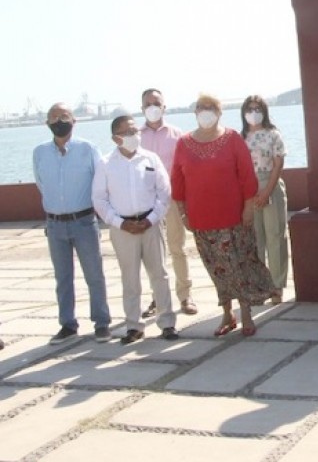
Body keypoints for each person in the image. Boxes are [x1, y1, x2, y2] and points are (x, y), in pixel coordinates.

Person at [171, 93, 275, 337]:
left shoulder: (232, 139)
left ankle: (246, 311)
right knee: (216, 267)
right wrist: (182, 212)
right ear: (194, 112)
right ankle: (227, 313)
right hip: (201, 218)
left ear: (219, 112)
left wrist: (248, 206)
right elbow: (177, 179)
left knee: (239, 265)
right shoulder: (183, 143)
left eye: (210, 107)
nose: (205, 111)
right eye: (200, 107)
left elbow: (246, 174)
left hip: (234, 216)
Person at [92, 115, 179, 344]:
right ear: (115, 138)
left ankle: (167, 322)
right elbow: (99, 200)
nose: (133, 136)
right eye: (127, 132)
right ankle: (134, 326)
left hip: (150, 225)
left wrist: (151, 218)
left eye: (134, 131)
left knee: (159, 274)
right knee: (130, 278)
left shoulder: (151, 159)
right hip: (122, 228)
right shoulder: (105, 163)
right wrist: (121, 223)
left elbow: (164, 192)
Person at [33, 103, 112, 344]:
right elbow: (41, 183)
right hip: (55, 224)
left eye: (63, 116)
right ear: (47, 123)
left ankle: (101, 323)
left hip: (84, 221)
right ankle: (67, 324)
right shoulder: (39, 152)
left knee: (94, 275)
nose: (58, 121)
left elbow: (100, 182)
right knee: (63, 277)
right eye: (53, 117)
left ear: (74, 121)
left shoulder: (88, 149)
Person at [140, 88, 197, 317]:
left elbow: (186, 169)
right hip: (146, 201)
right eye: (148, 103)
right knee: (153, 251)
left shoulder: (177, 134)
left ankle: (185, 295)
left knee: (177, 247)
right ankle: (157, 298)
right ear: (142, 108)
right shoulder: (137, 136)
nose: (152, 107)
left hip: (172, 198)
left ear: (164, 106)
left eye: (156, 102)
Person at [241, 95, 291, 305]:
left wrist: (267, 191)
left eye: (258, 108)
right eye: (250, 109)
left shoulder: (273, 135)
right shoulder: (239, 137)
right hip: (249, 189)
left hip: (270, 183)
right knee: (255, 240)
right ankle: (259, 286)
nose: (254, 112)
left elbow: (278, 164)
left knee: (275, 236)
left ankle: (276, 286)